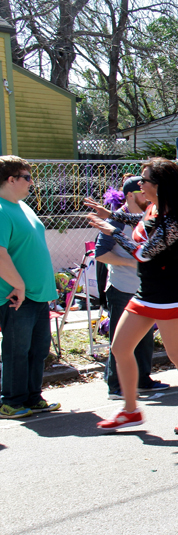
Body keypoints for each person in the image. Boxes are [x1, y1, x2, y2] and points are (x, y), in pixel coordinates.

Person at [85, 158, 178, 433]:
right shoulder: (155, 208)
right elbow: (142, 220)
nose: (139, 184)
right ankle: (130, 410)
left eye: (144, 180)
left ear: (160, 185)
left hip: (170, 295)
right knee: (119, 348)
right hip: (146, 292)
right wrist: (112, 216)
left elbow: (144, 253)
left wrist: (112, 231)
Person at [95, 175, 171, 400]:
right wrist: (133, 262)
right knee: (120, 340)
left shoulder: (148, 215)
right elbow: (100, 254)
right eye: (142, 191)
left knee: (145, 336)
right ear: (130, 195)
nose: (147, 195)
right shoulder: (116, 222)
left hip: (145, 288)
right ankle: (116, 386)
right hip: (122, 287)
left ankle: (142, 380)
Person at [0, 156, 61, 419]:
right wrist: (19, 284)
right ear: (11, 179)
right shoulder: (1, 209)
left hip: (37, 295)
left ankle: (33, 397)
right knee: (17, 350)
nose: (31, 182)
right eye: (26, 177)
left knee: (38, 350)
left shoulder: (23, 207)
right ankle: (11, 401)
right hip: (16, 296)